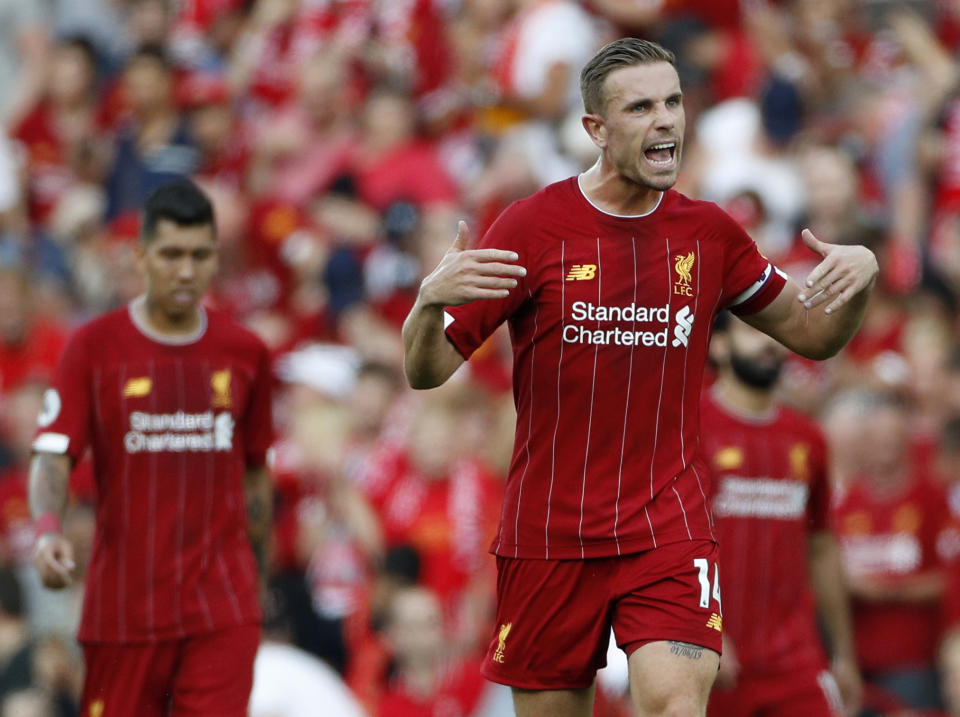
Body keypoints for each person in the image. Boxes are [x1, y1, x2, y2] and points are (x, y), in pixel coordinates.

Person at [402, 37, 878, 717]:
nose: (666, 120)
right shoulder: (534, 227)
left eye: (674, 102)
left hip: (667, 525)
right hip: (549, 536)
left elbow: (817, 336)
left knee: (674, 704)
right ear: (596, 128)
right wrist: (427, 305)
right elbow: (427, 370)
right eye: (641, 106)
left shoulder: (711, 235)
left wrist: (857, 278)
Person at [29, 179, 273, 715]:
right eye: (171, 255)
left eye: (199, 255)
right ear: (140, 255)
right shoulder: (93, 348)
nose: (186, 271)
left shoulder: (247, 353)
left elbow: (256, 478)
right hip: (123, 612)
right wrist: (47, 532)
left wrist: (257, 580)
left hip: (221, 612)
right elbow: (52, 454)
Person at [701, 314, 861, 717]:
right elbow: (666, 545)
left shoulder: (808, 438)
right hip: (708, 659)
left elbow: (823, 547)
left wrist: (842, 655)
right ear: (718, 345)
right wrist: (702, 628)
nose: (770, 343)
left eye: (776, 332)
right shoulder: (686, 429)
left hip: (796, 660)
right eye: (753, 332)